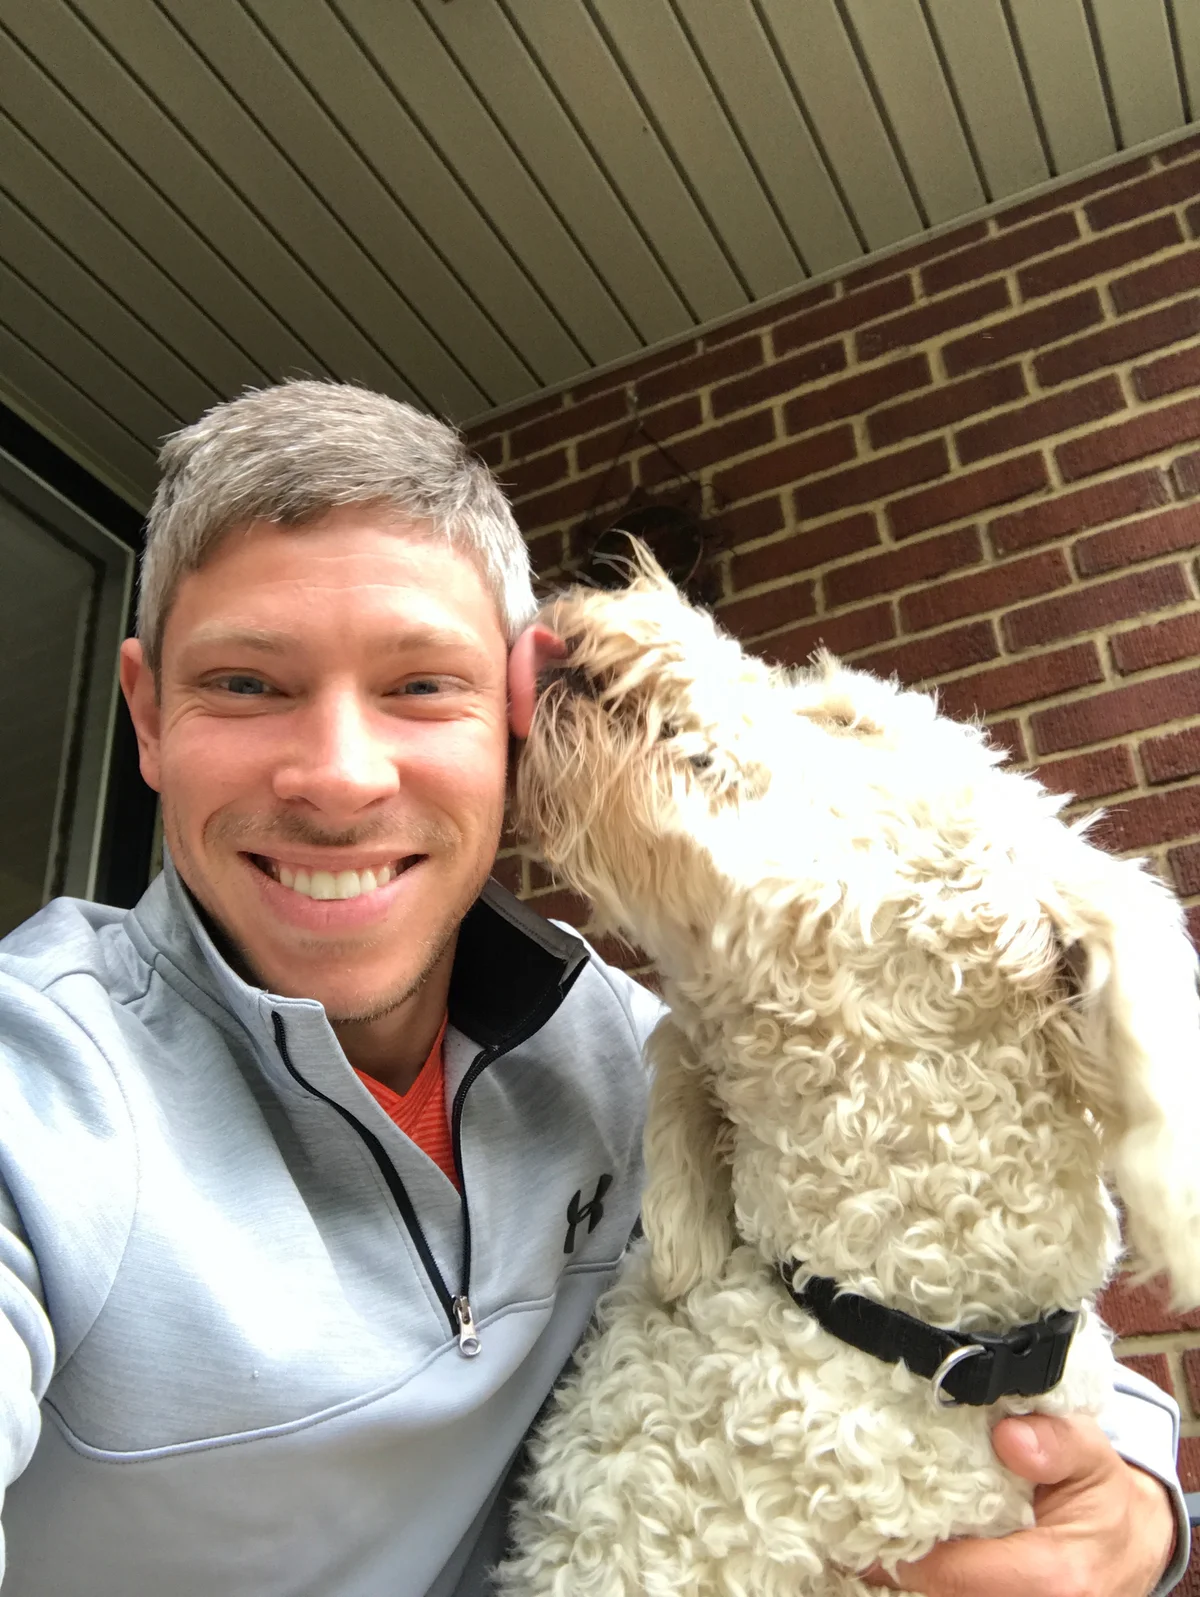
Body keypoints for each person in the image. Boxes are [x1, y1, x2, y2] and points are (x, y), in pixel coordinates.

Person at [0, 381, 1189, 1596]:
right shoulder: (41, 1080)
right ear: (148, 716)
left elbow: (939, 1279)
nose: (341, 777)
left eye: (422, 684)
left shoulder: (630, 1046)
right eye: (248, 684)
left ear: (517, 706)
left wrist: (1142, 1501)